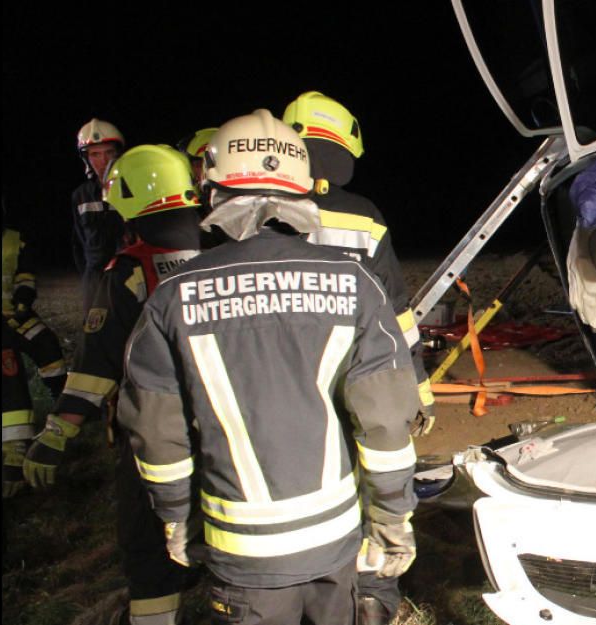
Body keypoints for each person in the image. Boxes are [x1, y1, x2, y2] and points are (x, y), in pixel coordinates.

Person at [117, 110, 420, 624]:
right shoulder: (356, 283)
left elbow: (156, 431)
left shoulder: (172, 297)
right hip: (337, 539)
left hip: (241, 553)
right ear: (304, 192)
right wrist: (392, 517)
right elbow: (387, 423)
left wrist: (175, 519)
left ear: (212, 191)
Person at [24, 145, 205, 624]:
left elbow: (97, 365)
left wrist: (57, 432)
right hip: (231, 431)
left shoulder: (126, 272)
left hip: (153, 438)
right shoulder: (224, 256)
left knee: (148, 550)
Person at [283, 91, 433, 623]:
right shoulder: (364, 216)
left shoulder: (260, 213)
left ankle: (302, 586)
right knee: (378, 478)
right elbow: (397, 312)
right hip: (364, 376)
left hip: (286, 384)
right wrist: (416, 384)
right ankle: (372, 598)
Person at [1, 208, 68, 498]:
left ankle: (63, 402)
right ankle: (14, 445)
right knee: (8, 364)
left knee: (46, 344)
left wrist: (23, 301)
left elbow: (25, 275)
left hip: (14, 316)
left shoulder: (15, 239)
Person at [72, 118, 128, 312]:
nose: (103, 161)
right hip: (94, 279)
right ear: (86, 159)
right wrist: (88, 279)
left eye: (109, 152)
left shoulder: (133, 189)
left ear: (119, 154)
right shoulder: (80, 195)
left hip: (127, 275)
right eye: (95, 154)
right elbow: (79, 243)